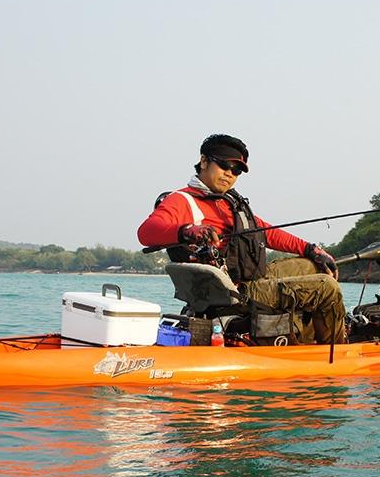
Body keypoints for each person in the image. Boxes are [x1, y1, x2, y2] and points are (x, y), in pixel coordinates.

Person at [137, 134, 346, 344]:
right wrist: (187, 230)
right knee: (326, 286)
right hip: (233, 293)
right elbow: (146, 232)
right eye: (224, 165)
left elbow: (267, 232)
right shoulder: (182, 200)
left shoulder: (229, 202)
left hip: (250, 277)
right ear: (203, 161)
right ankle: (336, 351)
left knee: (312, 266)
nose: (229, 174)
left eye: (236, 171)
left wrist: (312, 250)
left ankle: (308, 336)